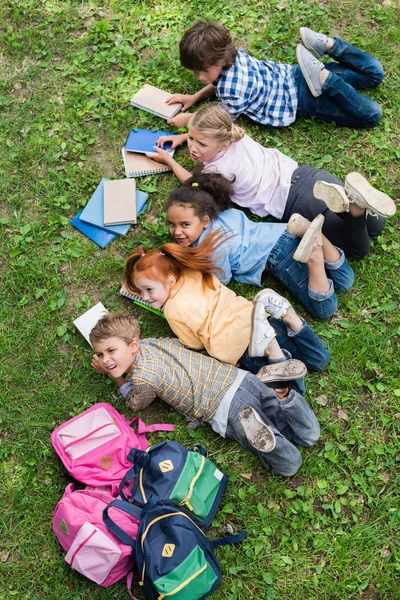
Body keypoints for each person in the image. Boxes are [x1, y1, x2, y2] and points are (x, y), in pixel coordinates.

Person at [149, 105, 397, 259]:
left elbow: (192, 183)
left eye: (200, 144)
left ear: (222, 144)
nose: (192, 147)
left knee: (357, 251)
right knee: (376, 226)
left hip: (294, 203)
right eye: (191, 139)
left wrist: (168, 161)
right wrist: (183, 136)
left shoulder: (217, 171)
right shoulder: (234, 134)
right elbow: (209, 130)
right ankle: (356, 201)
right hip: (307, 177)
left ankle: (355, 208)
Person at [90, 313, 321, 477]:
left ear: (133, 346)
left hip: (226, 408)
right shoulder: (152, 344)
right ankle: (284, 394)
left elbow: (135, 402)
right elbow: (176, 343)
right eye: (100, 355)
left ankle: (270, 440)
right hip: (241, 379)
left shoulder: (142, 378)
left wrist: (115, 377)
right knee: (307, 434)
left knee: (289, 465)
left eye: (111, 351)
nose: (105, 360)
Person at [124, 232, 330, 383]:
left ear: (169, 281)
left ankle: (276, 355)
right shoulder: (193, 272)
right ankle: (292, 319)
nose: (145, 297)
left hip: (241, 347)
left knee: (289, 386)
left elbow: (194, 343)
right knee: (320, 361)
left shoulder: (171, 311)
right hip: (256, 317)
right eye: (141, 292)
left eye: (149, 290)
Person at [165, 169, 354, 320]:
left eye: (185, 225)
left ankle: (316, 258)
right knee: (345, 281)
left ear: (204, 221)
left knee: (324, 310)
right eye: (172, 224)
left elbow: (222, 280)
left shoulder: (211, 246)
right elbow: (192, 193)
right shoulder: (221, 212)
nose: (177, 232)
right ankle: (317, 237)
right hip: (283, 233)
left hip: (276, 255)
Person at [164, 21, 384, 129]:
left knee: (371, 115)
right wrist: (195, 98)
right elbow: (218, 82)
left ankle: (327, 80)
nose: (199, 77)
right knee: (374, 74)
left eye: (203, 71)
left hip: (304, 99)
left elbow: (219, 122)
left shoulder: (232, 91)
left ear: (219, 59)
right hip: (297, 73)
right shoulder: (233, 54)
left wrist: (190, 121)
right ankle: (329, 46)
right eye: (195, 71)